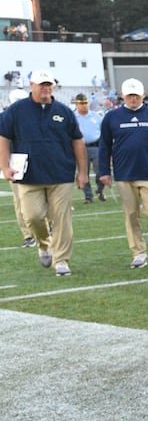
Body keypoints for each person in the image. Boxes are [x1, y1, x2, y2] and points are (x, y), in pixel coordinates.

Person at [0, 71, 87, 276]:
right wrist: (4, 166)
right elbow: (3, 137)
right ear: (32, 85)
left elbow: (77, 141)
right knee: (32, 217)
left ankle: (62, 259)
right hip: (30, 176)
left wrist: (82, 172)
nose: (45, 88)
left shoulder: (64, 111)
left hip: (61, 174)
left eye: (49, 84)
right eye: (41, 84)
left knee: (62, 219)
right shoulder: (16, 110)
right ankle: (43, 244)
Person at [97, 78, 148, 268]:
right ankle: (138, 253)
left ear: (143, 95)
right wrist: (103, 172)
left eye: (136, 95)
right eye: (129, 95)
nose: (133, 99)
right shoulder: (112, 118)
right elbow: (104, 146)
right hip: (124, 174)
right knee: (131, 215)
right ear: (123, 96)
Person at [71, 93, 104, 203]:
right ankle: (88, 196)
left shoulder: (96, 116)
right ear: (77, 105)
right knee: (83, 171)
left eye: (85, 103)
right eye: (81, 104)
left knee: (100, 170)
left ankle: (100, 189)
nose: (84, 106)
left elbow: (103, 131)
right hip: (80, 148)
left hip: (95, 146)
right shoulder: (73, 117)